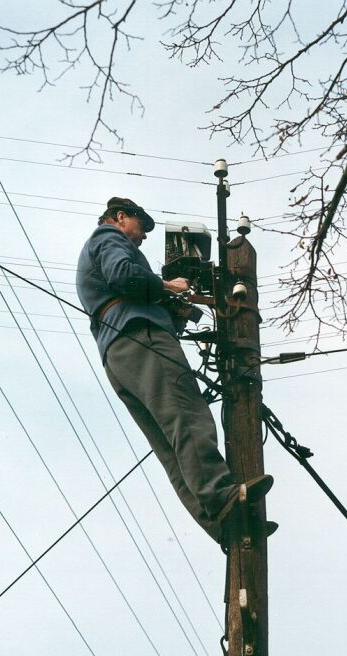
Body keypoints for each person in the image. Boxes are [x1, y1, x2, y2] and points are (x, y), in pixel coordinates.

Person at [76, 196, 273, 545]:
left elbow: (124, 285)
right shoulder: (108, 238)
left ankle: (223, 526)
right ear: (120, 217)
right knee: (187, 416)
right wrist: (168, 286)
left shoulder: (94, 252)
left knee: (170, 447)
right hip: (141, 336)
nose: (144, 237)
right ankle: (220, 494)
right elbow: (124, 275)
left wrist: (170, 305)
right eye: (141, 227)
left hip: (117, 353)